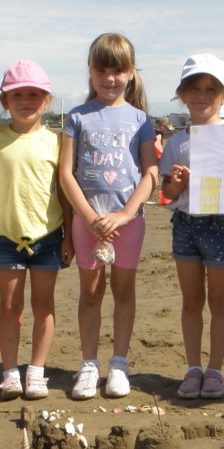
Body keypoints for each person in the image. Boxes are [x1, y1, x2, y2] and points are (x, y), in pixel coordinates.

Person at [59, 33, 158, 401]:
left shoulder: (141, 120)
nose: (110, 78)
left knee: (123, 291)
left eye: (118, 70)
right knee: (90, 293)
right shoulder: (76, 117)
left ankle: (119, 363)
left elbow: (150, 173)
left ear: (131, 73)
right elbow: (66, 173)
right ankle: (88, 364)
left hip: (127, 226)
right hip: (87, 224)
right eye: (103, 69)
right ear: (91, 70)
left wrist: (124, 215)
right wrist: (87, 216)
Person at [159, 54, 224, 400]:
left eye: (211, 89)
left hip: (223, 225)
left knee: (219, 300)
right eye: (194, 88)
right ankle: (192, 368)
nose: (202, 95)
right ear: (182, 94)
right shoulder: (176, 141)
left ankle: (214, 369)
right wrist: (177, 182)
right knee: (191, 302)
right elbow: (167, 194)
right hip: (185, 225)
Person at [0, 59, 71, 402]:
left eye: (34, 94)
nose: (26, 101)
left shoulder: (56, 142)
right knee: (9, 307)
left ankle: (36, 371)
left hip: (48, 238)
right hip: (6, 237)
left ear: (46, 100)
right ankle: (10, 373)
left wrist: (70, 237)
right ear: (5, 102)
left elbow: (63, 192)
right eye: (17, 95)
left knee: (44, 306)